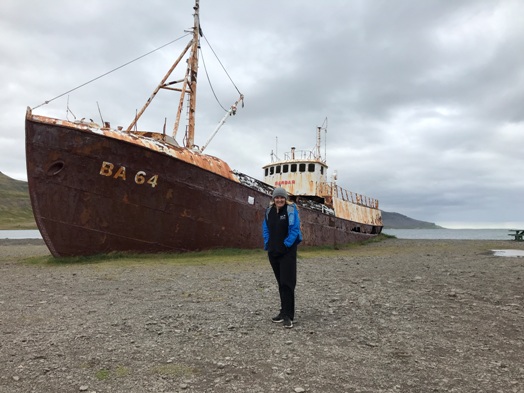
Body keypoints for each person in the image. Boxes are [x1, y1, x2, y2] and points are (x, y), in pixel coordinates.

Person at [262, 187, 303, 328]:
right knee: (281, 283)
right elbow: (266, 228)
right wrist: (268, 243)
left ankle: (288, 316)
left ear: (285, 199)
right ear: (273, 199)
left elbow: (295, 229)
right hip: (273, 253)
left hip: (287, 252)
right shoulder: (269, 211)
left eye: (282, 197)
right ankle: (282, 311)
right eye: (277, 197)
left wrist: (286, 245)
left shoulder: (291, 211)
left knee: (288, 283)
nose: (279, 200)